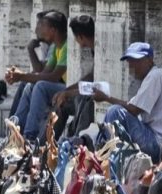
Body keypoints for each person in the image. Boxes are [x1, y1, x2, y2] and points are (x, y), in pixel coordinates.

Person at [92, 42, 162, 163]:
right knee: (114, 116)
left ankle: (102, 156)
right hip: (154, 139)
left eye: (136, 61)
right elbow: (130, 107)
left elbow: (133, 109)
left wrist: (106, 98)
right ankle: (102, 153)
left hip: (158, 144)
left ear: (149, 60)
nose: (132, 66)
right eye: (130, 62)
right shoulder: (155, 77)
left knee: (114, 111)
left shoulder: (155, 76)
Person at [6, 11, 68, 141]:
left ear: (52, 30)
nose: (38, 30)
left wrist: (21, 76)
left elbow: (53, 77)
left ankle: (30, 136)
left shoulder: (66, 47)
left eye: (42, 26)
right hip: (59, 86)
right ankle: (15, 133)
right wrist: (22, 76)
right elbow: (44, 72)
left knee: (40, 86)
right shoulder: (57, 48)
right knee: (30, 85)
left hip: (69, 89)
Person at [52, 15, 95, 140]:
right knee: (62, 103)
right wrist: (65, 91)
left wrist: (69, 93)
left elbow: (98, 87)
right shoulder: (93, 50)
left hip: (96, 99)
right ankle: (46, 144)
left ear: (80, 37)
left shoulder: (100, 49)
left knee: (83, 98)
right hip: (89, 93)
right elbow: (90, 77)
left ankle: (76, 143)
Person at [8, 10, 56, 117]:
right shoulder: (46, 45)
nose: (36, 30)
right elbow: (39, 70)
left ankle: (17, 125)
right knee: (25, 83)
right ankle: (12, 124)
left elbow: (40, 72)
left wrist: (31, 50)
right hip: (48, 79)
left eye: (41, 26)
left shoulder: (55, 46)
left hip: (55, 83)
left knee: (29, 85)